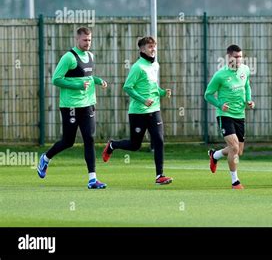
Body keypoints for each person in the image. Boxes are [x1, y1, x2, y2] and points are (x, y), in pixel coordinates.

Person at [37, 27, 108, 189]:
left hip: (88, 105)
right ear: (77, 39)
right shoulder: (68, 57)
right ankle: (46, 158)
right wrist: (77, 84)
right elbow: (56, 79)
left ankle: (92, 179)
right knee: (68, 141)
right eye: (84, 40)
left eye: (89, 40)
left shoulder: (90, 56)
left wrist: (98, 80)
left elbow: (87, 77)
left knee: (89, 139)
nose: (87, 43)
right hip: (70, 107)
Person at [102, 36, 173, 185]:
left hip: (154, 110)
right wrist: (143, 100)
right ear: (142, 49)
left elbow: (151, 87)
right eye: (149, 47)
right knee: (135, 145)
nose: (153, 49)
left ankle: (160, 175)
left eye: (154, 46)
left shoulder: (155, 65)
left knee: (159, 141)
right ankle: (112, 145)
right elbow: (127, 87)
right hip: (138, 112)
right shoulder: (137, 67)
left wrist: (162, 92)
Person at [205, 44, 254, 189]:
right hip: (225, 114)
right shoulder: (220, 75)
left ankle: (215, 155)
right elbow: (207, 95)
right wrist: (220, 105)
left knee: (238, 151)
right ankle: (235, 181)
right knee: (233, 146)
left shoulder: (245, 70)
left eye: (240, 56)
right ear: (228, 57)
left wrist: (249, 100)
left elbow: (247, 86)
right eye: (235, 57)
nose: (238, 59)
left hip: (240, 114)